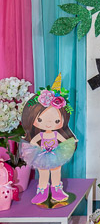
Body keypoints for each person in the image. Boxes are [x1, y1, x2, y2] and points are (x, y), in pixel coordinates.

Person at [20, 74, 76, 205]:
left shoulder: (56, 134)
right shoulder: (40, 135)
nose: (49, 124)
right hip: (42, 155)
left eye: (56, 120)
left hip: (56, 154)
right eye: (40, 119)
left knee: (56, 171)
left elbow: (64, 140)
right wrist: (33, 146)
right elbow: (33, 141)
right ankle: (42, 191)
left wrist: (70, 142)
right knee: (43, 173)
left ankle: (57, 190)